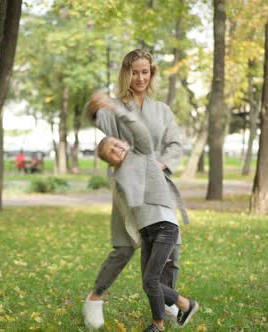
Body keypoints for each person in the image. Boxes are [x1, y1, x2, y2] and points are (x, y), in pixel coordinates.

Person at [83, 49, 188, 329]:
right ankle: (95, 297)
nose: (140, 77)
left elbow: (175, 144)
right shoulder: (116, 106)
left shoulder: (161, 110)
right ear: (126, 73)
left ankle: (167, 304)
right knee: (123, 246)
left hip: (157, 185)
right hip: (128, 186)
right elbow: (96, 118)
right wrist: (95, 104)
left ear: (151, 74)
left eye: (145, 72)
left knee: (169, 252)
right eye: (135, 72)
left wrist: (163, 164)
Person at [96, 104, 198, 331]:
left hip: (164, 226)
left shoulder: (142, 152)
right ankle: (185, 304)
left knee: (152, 280)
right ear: (108, 161)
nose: (116, 150)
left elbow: (138, 128)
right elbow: (128, 213)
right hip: (147, 232)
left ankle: (158, 324)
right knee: (148, 283)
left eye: (116, 144)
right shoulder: (117, 177)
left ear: (124, 142)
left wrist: (115, 109)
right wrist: (138, 238)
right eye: (109, 152)